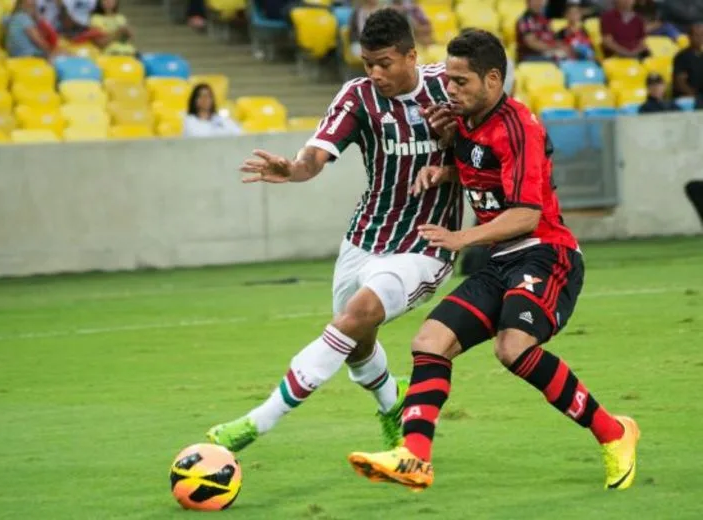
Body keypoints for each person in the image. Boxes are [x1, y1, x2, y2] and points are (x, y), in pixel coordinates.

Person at [347, 29, 639, 492]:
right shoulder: (461, 120)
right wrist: (443, 170)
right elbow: (479, 170)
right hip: (501, 261)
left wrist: (460, 237)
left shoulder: (519, 126)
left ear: (492, 79)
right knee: (429, 341)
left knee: (513, 347)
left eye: (461, 81)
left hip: (547, 255)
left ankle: (614, 432)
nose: (451, 89)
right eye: (448, 79)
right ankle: (414, 457)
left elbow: (526, 215)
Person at [206, 8, 462, 453]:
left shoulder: (449, 86)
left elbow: (492, 147)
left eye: (385, 63)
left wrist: (453, 151)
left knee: (352, 319)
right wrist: (293, 168)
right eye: (368, 64)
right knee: (357, 343)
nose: (376, 73)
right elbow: (314, 159)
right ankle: (390, 404)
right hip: (365, 238)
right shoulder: (358, 97)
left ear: (411, 56)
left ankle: (257, 421)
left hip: (426, 243)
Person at [673, 21, 703, 109]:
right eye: (697, 35)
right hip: (687, 97)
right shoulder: (682, 57)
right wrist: (696, 96)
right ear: (689, 37)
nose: (700, 38)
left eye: (702, 35)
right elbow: (680, 83)